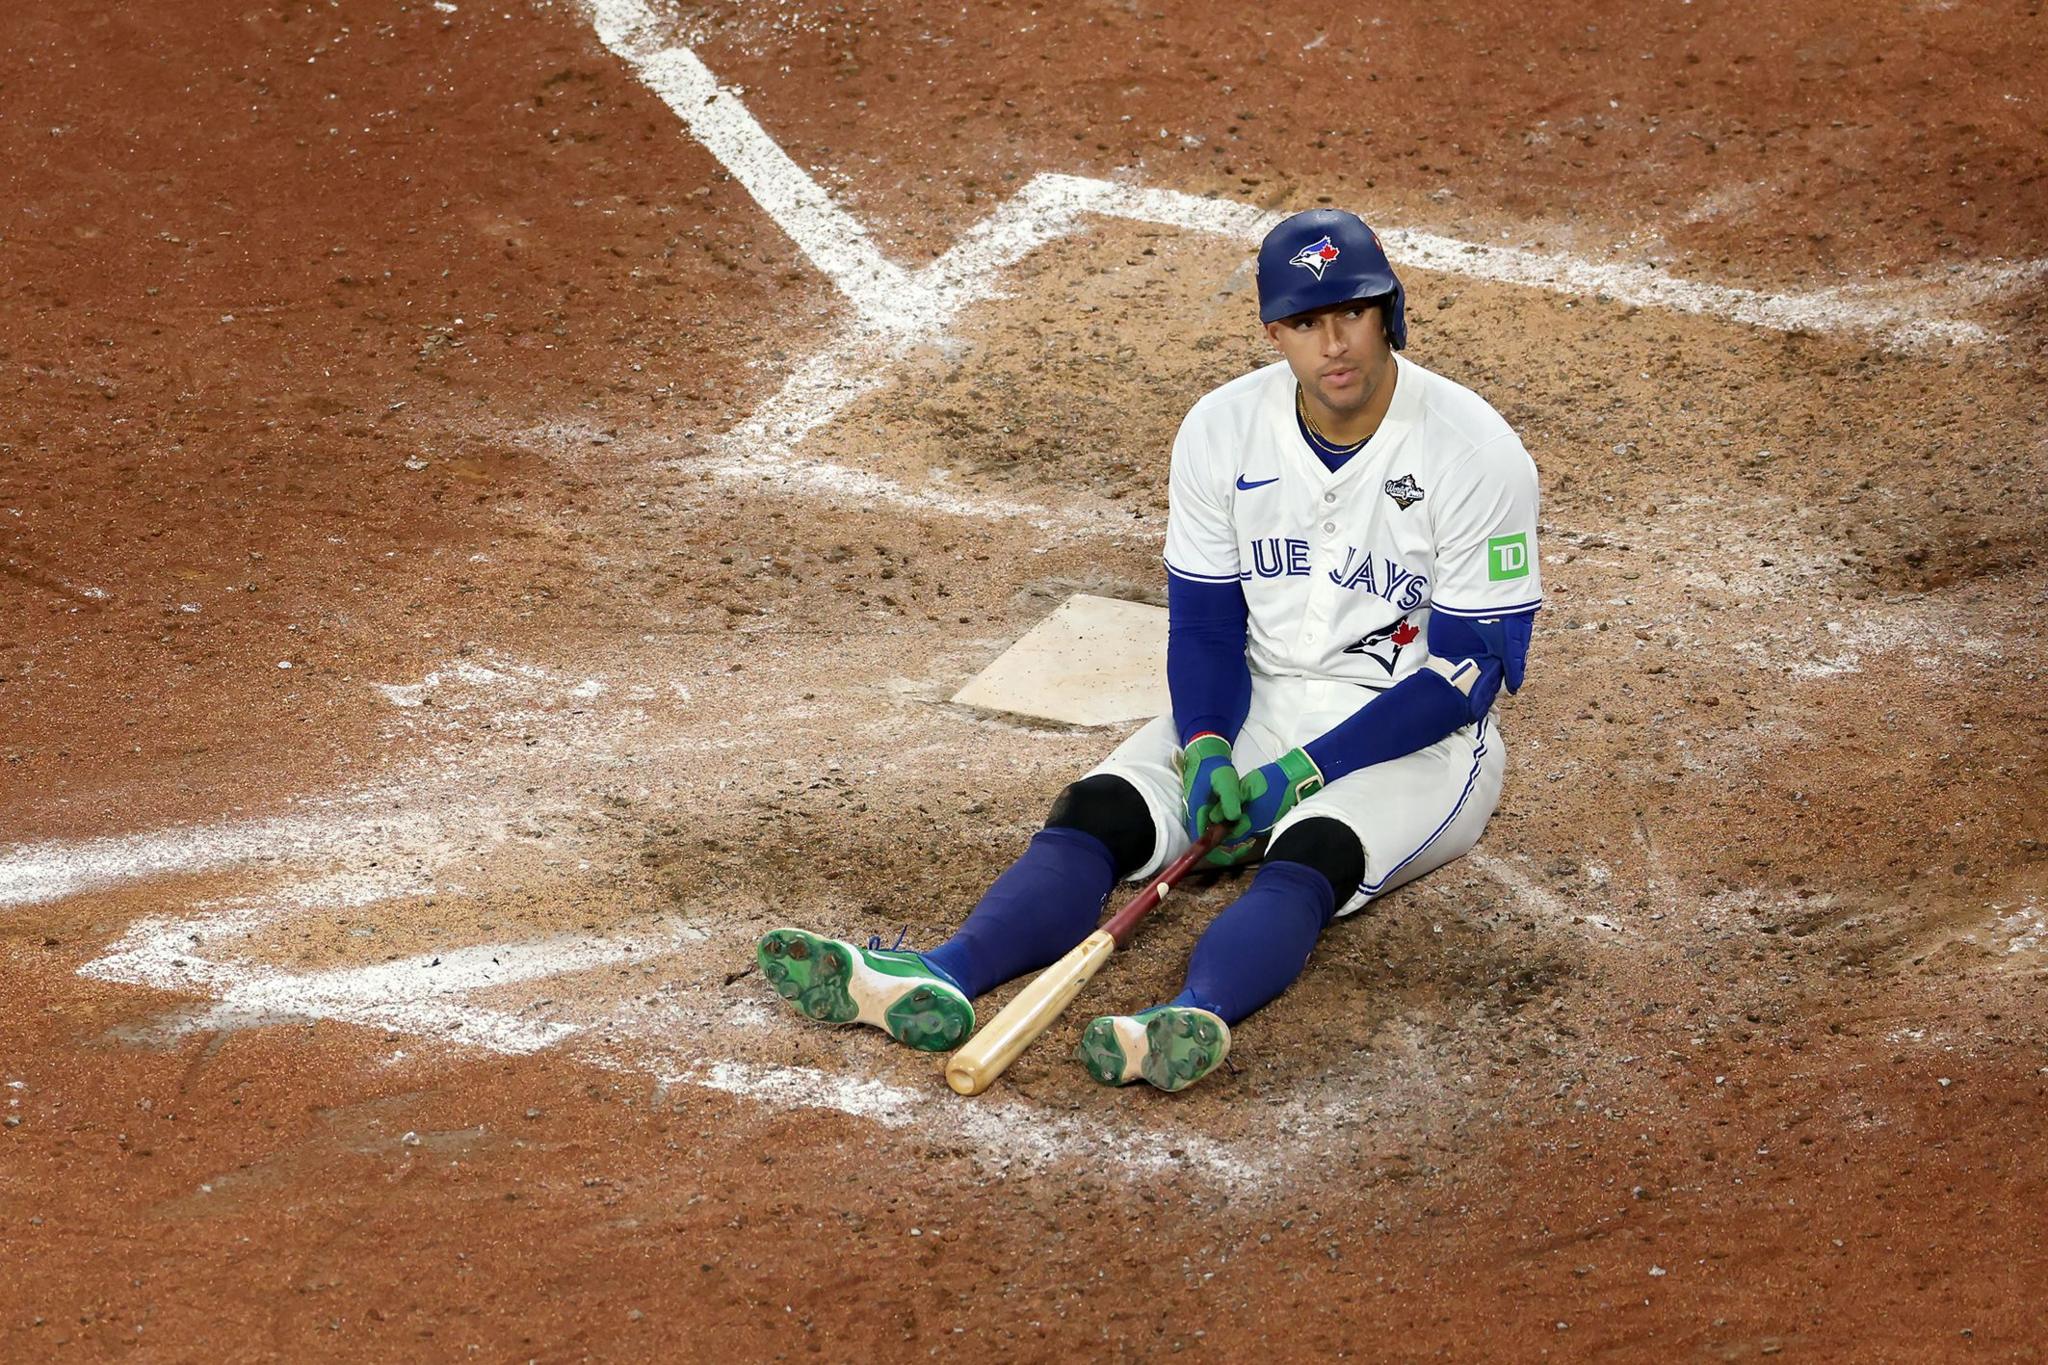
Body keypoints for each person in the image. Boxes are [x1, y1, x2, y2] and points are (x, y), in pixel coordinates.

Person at [756, 208, 1541, 1092]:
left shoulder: (1474, 454)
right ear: (1275, 330)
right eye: (1308, 322)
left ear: (1388, 313)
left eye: (1353, 314)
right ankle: (947, 969)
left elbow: (1466, 676)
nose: (1335, 345)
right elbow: (1205, 625)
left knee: (1307, 854)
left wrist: (1299, 776)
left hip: (1411, 737)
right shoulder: (1221, 430)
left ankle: (1188, 1013)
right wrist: (1207, 741)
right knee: (1099, 810)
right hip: (1258, 696)